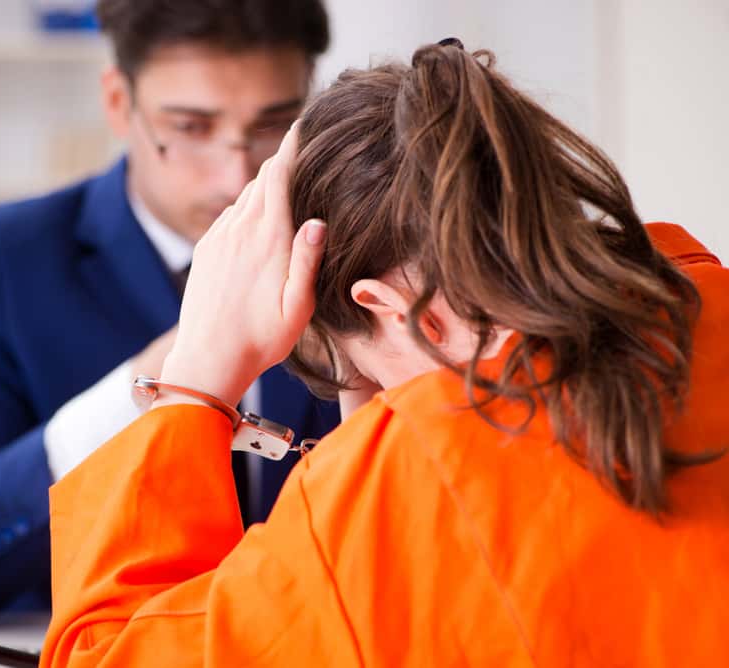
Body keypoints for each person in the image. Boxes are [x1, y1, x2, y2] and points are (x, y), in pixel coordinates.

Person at [40, 41, 729, 666]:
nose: (363, 421)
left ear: (383, 305)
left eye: (359, 374)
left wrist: (195, 382)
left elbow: (100, 657)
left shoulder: (409, 484)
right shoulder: (705, 301)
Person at [0, 0, 338, 623]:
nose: (236, 176)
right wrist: (164, 379)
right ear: (119, 104)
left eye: (274, 125)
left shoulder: (351, 250)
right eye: (190, 127)